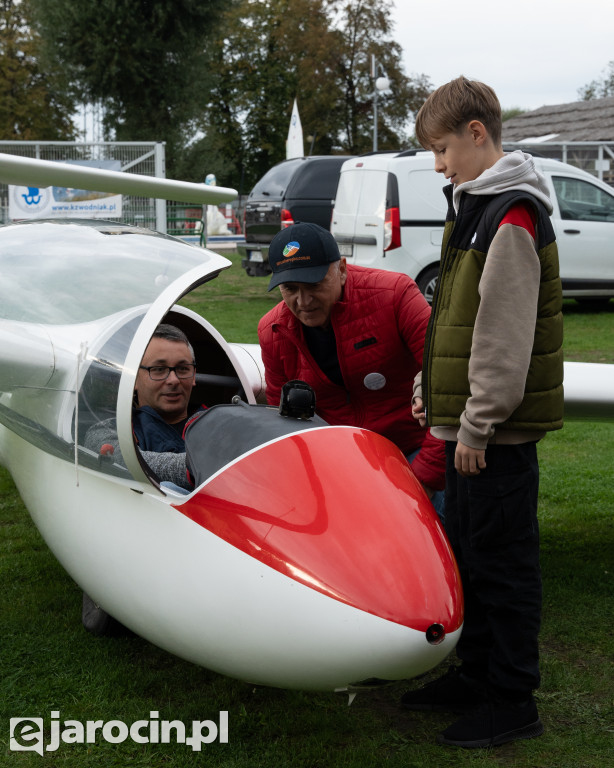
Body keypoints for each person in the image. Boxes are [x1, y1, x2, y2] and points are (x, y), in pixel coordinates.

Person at [400, 76, 564, 748]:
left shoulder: (512, 213)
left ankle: (511, 697)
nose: (438, 165)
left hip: (492, 436)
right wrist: (428, 389)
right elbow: (455, 315)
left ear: (477, 133)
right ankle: (475, 674)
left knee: (502, 565)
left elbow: (502, 337)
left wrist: (474, 424)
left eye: (442, 149)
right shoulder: (473, 205)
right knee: (468, 555)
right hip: (467, 426)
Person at [257, 221, 446, 514]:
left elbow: (446, 377)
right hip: (339, 465)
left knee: (437, 532)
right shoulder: (273, 330)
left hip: (412, 449)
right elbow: (281, 424)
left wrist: (425, 477)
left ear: (342, 269)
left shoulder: (396, 295)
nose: (303, 301)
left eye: (314, 285)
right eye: (289, 289)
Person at [85, 324, 201, 491]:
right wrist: (200, 466)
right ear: (133, 378)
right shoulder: (106, 432)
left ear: (194, 375)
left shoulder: (220, 422)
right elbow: (130, 460)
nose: (174, 380)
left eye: (183, 369)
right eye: (159, 369)